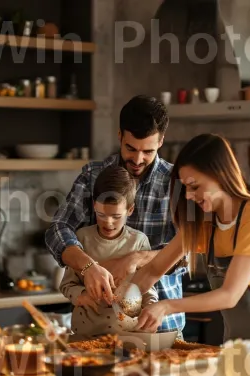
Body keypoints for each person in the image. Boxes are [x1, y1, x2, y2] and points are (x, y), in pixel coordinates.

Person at [130, 133, 250, 363]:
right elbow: (154, 270)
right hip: (236, 348)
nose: (190, 196)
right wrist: (120, 301)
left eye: (195, 186)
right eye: (186, 189)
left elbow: (229, 295)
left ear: (220, 175)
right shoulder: (205, 222)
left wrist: (166, 306)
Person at [46, 95, 187, 332]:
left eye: (148, 151)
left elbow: (189, 252)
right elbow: (58, 230)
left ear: (161, 141)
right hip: (100, 328)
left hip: (161, 327)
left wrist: (134, 259)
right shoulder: (93, 176)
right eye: (131, 148)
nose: (138, 159)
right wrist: (88, 267)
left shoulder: (177, 183)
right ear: (120, 135)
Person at [59, 166, 158, 335]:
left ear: (130, 210)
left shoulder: (139, 241)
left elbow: (147, 287)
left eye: (116, 216)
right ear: (94, 206)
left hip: (129, 335)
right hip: (86, 333)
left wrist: (151, 307)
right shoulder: (81, 239)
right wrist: (82, 295)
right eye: (101, 214)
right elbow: (67, 284)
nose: (108, 223)